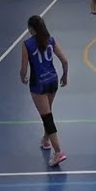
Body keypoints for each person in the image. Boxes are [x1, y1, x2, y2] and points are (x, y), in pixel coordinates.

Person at [20, 14, 70, 167]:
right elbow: (65, 60)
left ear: (31, 29)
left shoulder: (27, 44)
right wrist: (65, 76)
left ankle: (58, 153)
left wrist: (23, 78)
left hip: (39, 84)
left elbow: (23, 68)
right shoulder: (51, 40)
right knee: (47, 112)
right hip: (52, 80)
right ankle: (45, 140)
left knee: (47, 117)